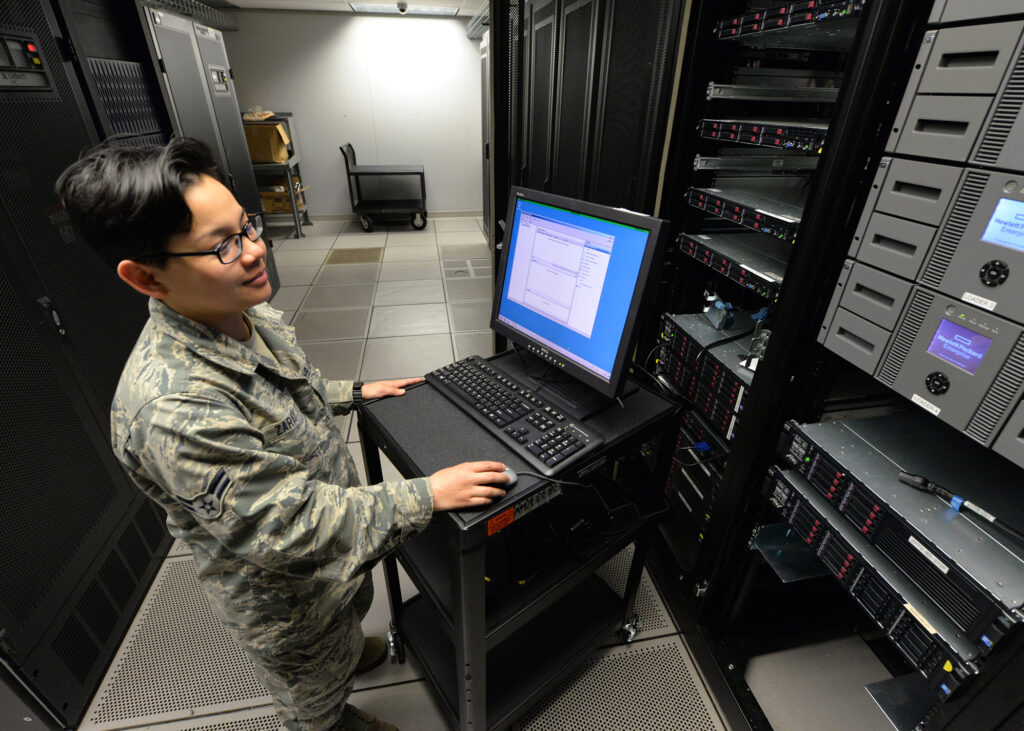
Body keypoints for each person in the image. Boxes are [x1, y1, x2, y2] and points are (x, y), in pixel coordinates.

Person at [55, 137, 511, 731]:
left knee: (344, 631)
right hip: (286, 603)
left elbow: (287, 389)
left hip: (332, 575)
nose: (253, 252)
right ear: (147, 277)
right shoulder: (173, 409)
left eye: (246, 227)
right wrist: (427, 494)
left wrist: (350, 393)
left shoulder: (240, 312)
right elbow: (289, 527)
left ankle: (345, 652)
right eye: (221, 245)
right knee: (313, 699)